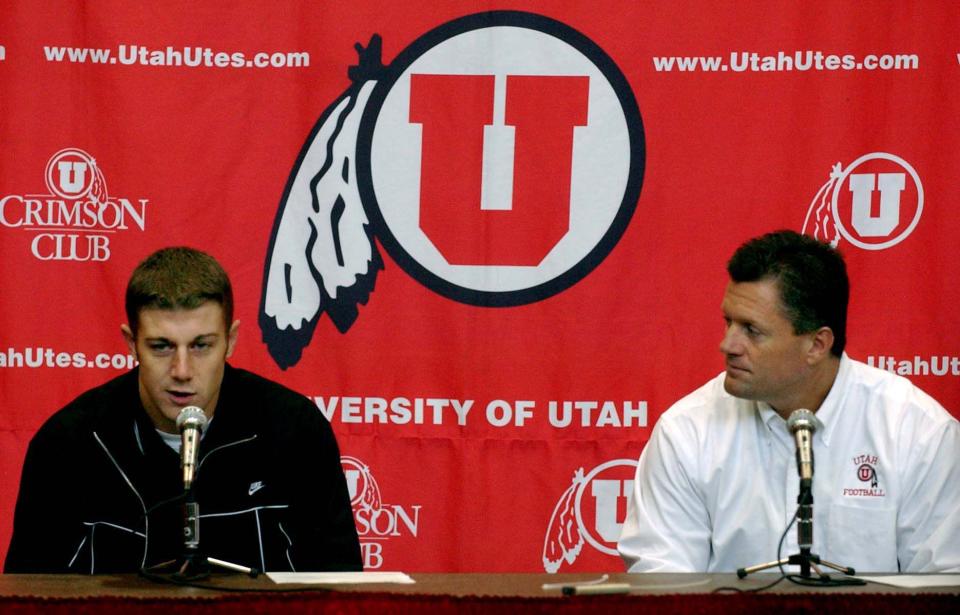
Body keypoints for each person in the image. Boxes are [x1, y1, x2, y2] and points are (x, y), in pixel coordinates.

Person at [617, 230, 959, 573]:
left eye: (751, 330)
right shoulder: (686, 432)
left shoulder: (918, 433)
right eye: (728, 322)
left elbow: (944, 581)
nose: (728, 345)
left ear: (816, 345)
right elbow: (663, 582)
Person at [5, 247, 362, 574]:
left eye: (201, 346)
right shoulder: (71, 442)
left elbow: (340, 587)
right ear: (132, 343)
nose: (182, 370)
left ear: (231, 340)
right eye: (161, 347)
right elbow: (30, 595)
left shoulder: (295, 430)